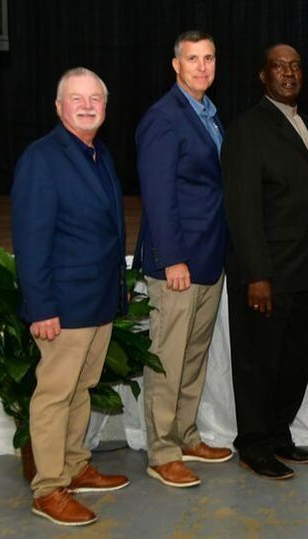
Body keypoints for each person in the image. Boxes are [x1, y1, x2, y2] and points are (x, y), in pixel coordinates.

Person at [12, 67, 129, 526]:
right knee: (54, 396)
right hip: (62, 305)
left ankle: (75, 466)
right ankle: (48, 487)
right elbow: (32, 239)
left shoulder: (99, 154)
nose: (86, 105)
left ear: (105, 106)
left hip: (96, 302)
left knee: (81, 388)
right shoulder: (42, 158)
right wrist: (41, 307)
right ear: (59, 106)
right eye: (76, 98)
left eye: (95, 98)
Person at [221, 44, 308, 480]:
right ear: (262, 77)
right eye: (278, 67)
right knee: (258, 363)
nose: (288, 73)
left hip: (305, 273)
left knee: (293, 362)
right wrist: (257, 275)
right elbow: (242, 208)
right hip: (268, 274)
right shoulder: (247, 129)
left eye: (295, 66)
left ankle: (278, 434)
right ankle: (253, 444)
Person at [135, 30, 232, 489]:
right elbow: (158, 196)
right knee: (168, 359)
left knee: (193, 356)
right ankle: (162, 451)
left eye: (208, 58)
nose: (202, 67)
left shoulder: (210, 115)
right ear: (176, 65)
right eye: (192, 59)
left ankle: (187, 433)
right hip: (177, 265)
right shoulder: (164, 118)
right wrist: (172, 258)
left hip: (209, 259)